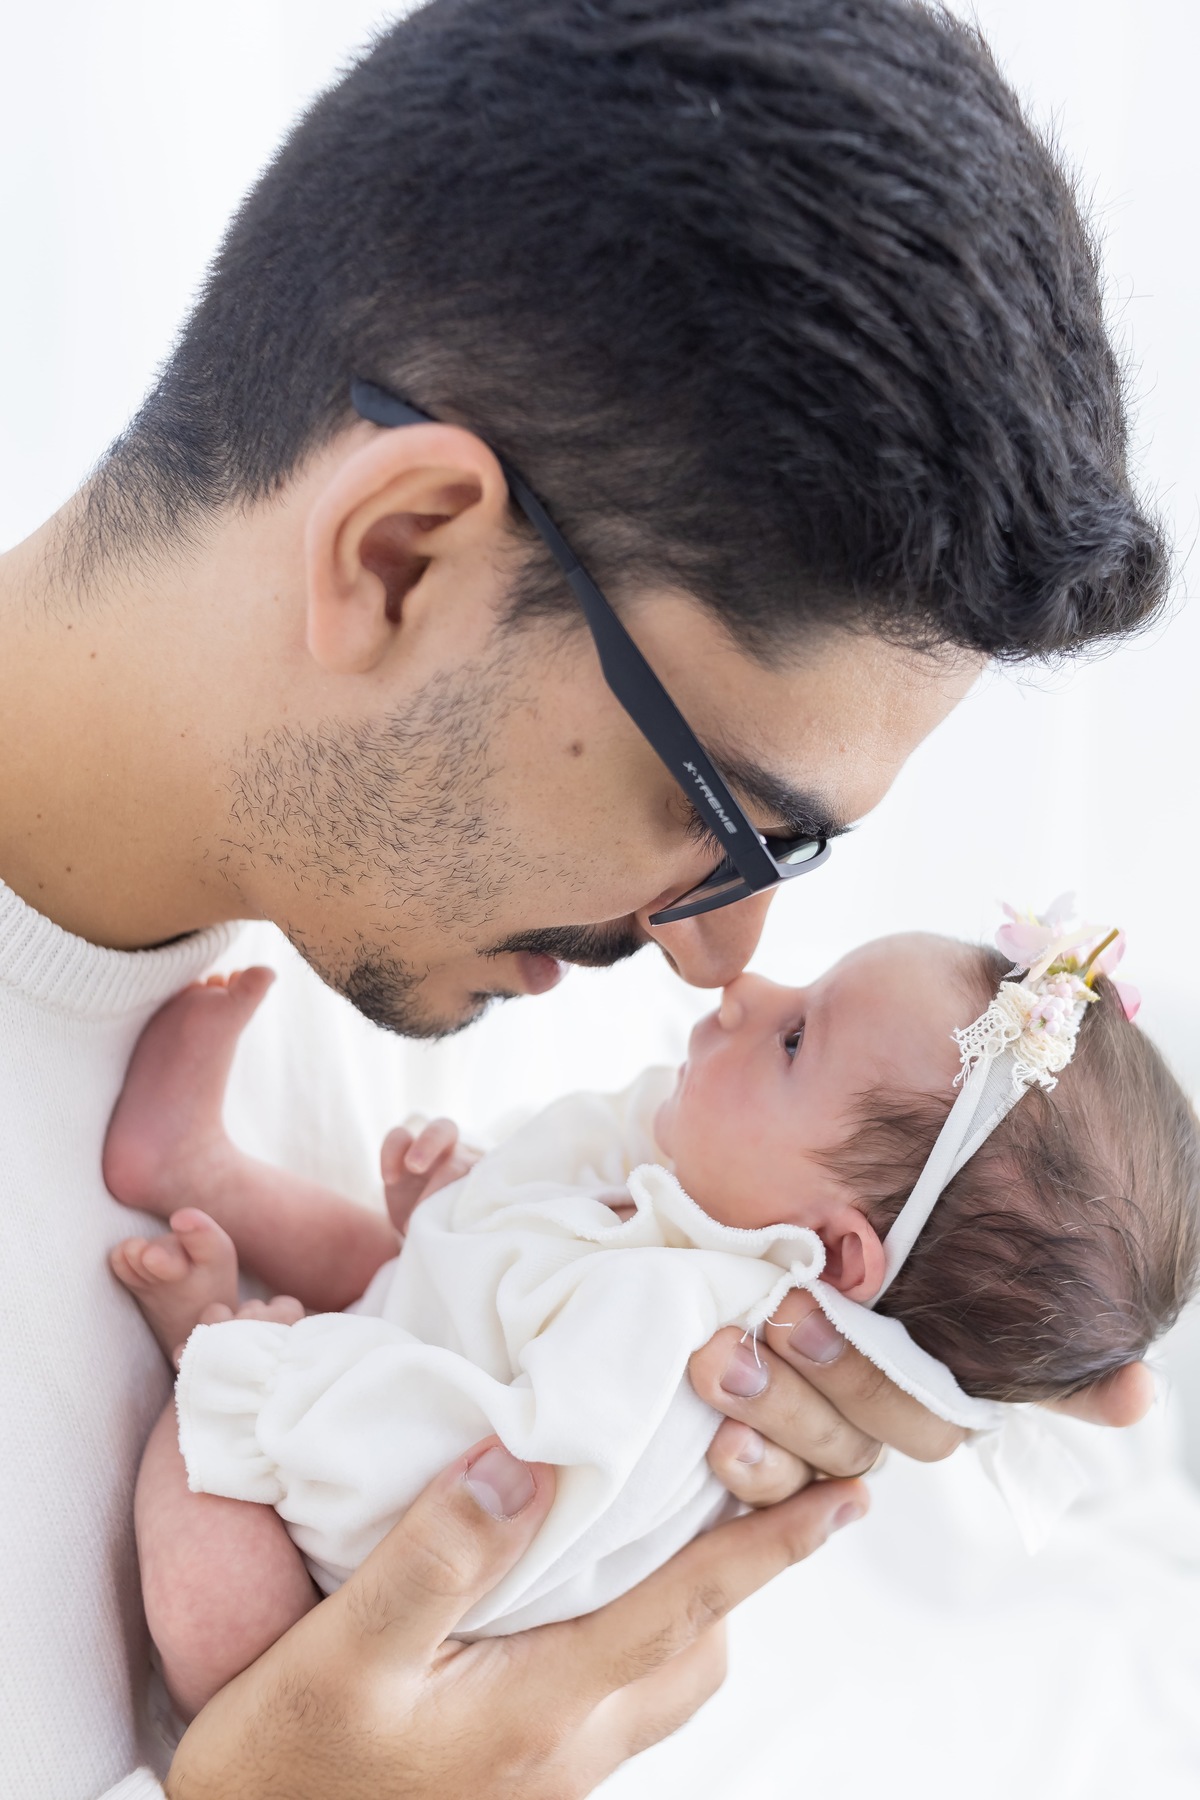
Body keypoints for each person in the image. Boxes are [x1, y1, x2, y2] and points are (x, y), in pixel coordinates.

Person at [0, 1, 1164, 1794]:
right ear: (398, 559)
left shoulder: (380, 988)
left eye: (798, 859)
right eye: (725, 815)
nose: (718, 954)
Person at [102, 909, 1200, 1720]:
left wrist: (275, 1375)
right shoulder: (705, 1215)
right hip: (416, 1363)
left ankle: (198, 1341)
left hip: (340, 1605)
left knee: (216, 1601)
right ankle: (195, 1165)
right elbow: (536, 1273)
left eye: (794, 1040)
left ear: (835, 1249)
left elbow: (472, 1488)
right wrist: (470, 1202)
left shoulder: (675, 1332)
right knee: (375, 1254)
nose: (747, 990)